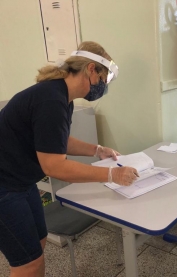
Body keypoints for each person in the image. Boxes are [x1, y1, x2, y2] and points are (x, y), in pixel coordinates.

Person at [0, 41, 139, 277]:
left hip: (21, 182)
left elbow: (55, 141)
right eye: (103, 80)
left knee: (39, 241)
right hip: (5, 187)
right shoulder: (51, 99)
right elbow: (54, 166)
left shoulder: (62, 97)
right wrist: (111, 174)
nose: (102, 88)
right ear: (91, 69)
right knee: (28, 263)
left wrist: (97, 150)